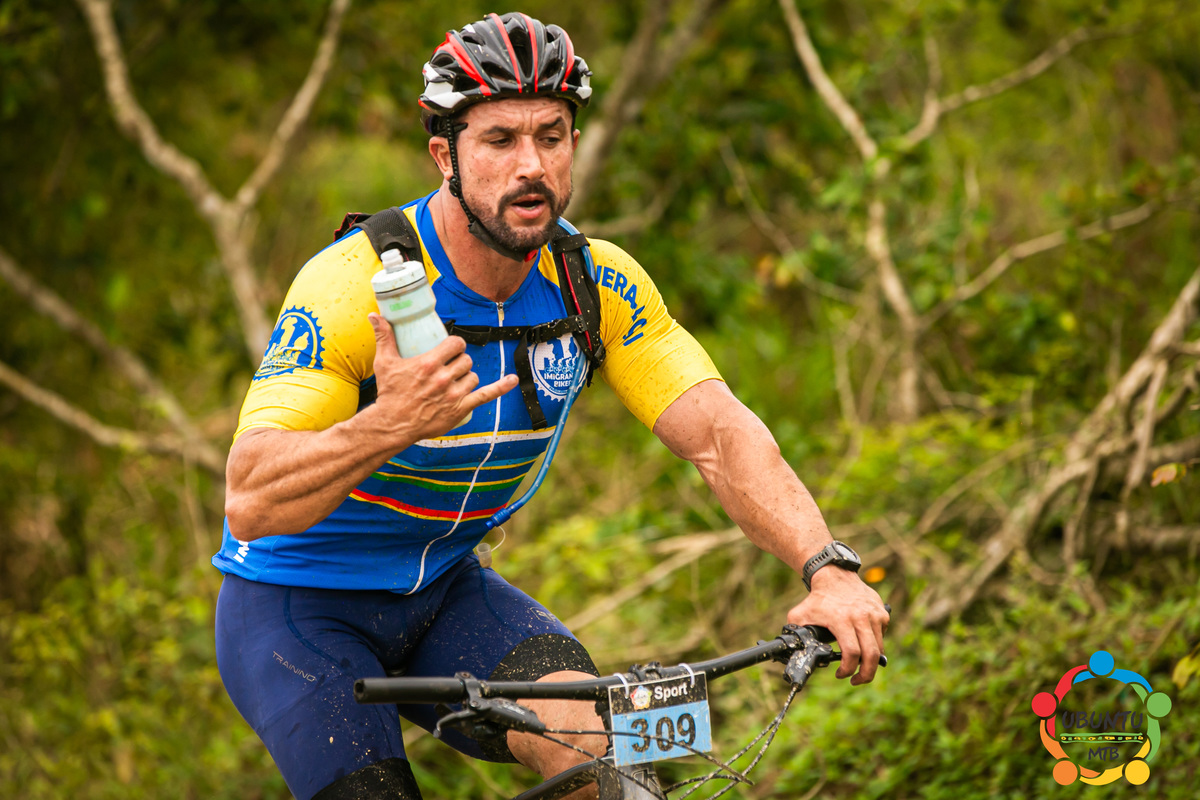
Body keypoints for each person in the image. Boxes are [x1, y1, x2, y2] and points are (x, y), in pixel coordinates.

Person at [213, 12, 889, 800]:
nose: (530, 165)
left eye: (552, 135)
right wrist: (388, 424)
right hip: (298, 607)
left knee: (604, 756)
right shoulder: (353, 284)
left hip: (446, 592)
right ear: (446, 155)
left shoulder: (593, 282)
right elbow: (251, 497)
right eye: (500, 140)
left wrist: (828, 567)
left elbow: (718, 432)